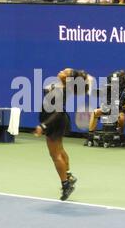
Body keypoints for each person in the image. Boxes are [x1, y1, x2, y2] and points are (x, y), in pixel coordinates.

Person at [33, 68, 93, 201]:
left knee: (55, 155)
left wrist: (44, 125)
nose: (61, 70)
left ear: (68, 78)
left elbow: (58, 112)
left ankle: (66, 184)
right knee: (59, 149)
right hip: (56, 120)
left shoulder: (62, 90)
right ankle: (69, 175)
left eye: (65, 71)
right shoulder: (62, 86)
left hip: (54, 121)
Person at [87, 69, 125, 137]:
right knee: (95, 112)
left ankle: (120, 135)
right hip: (108, 108)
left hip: (121, 111)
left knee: (121, 118)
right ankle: (91, 134)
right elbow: (97, 93)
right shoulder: (109, 87)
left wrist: (124, 106)